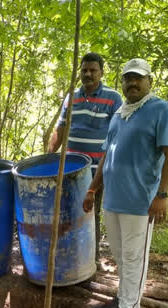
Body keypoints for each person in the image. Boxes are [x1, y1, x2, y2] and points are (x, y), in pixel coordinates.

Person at [83, 58, 168, 308]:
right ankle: (121, 299)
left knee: (135, 257)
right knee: (121, 256)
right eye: (127, 78)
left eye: (138, 78)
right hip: (113, 198)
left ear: (150, 80)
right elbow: (106, 155)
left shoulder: (162, 111)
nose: (132, 83)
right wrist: (93, 188)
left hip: (140, 201)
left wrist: (162, 194)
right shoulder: (120, 113)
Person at [48, 52, 122, 259]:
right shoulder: (72, 97)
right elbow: (61, 128)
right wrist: (47, 157)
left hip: (96, 170)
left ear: (101, 72)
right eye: (84, 70)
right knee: (66, 210)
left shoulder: (113, 98)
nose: (88, 74)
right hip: (69, 169)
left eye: (93, 70)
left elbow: (119, 133)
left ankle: (90, 259)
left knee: (90, 214)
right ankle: (67, 255)